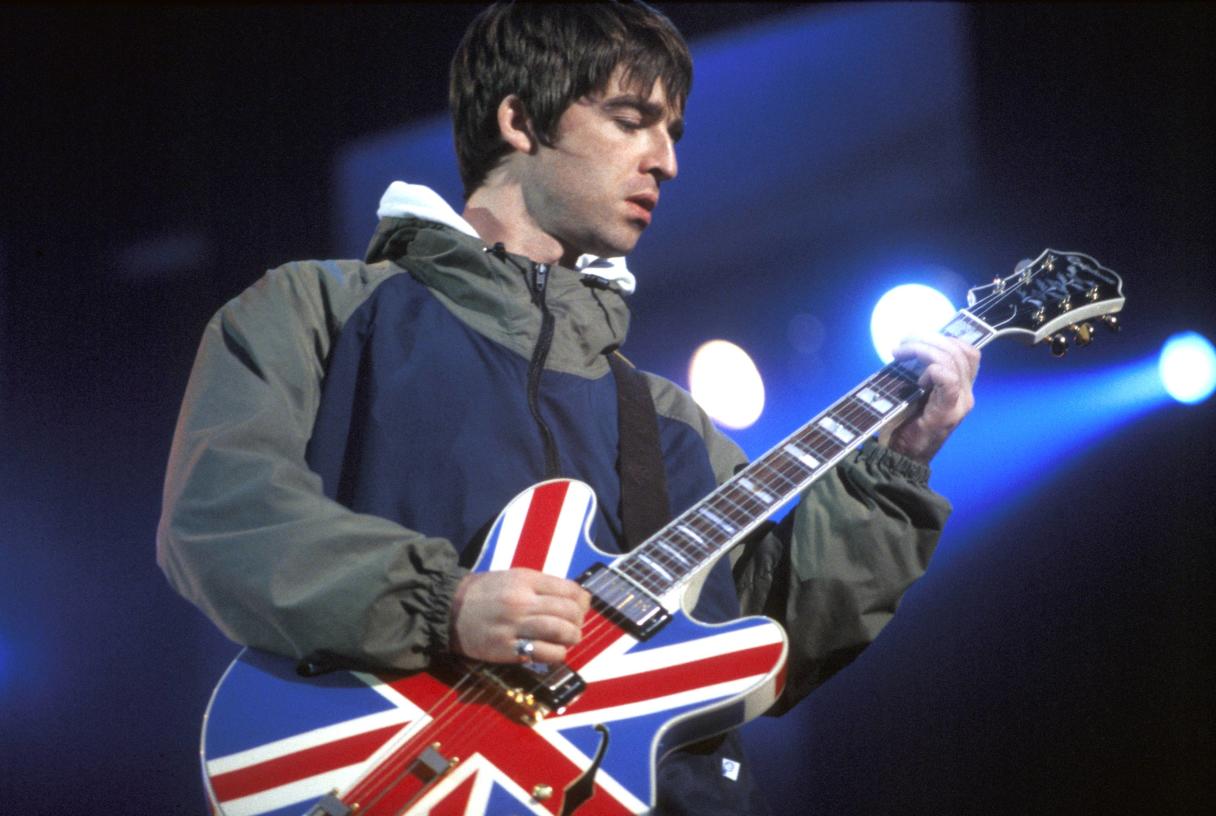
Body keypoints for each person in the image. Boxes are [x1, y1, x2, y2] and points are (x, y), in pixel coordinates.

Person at [157, 2, 979, 813]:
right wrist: (442, 605)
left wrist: (893, 467)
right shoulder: (319, 310)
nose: (667, 162)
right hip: (388, 778)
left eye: (673, 134)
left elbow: (774, 640)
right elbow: (221, 515)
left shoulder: (666, 421)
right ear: (520, 121)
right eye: (632, 120)